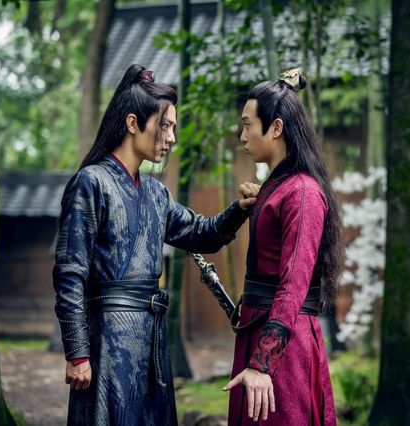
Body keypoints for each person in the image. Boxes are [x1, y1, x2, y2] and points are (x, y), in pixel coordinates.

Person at [53, 64, 257, 425]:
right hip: (107, 340)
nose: (172, 137)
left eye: (173, 127)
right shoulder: (91, 182)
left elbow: (202, 234)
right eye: (165, 125)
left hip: (151, 340)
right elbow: (70, 273)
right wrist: (78, 351)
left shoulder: (156, 193)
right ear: (133, 123)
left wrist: (239, 210)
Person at [224, 68, 344, 425]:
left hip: (283, 349)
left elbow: (294, 283)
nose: (242, 135)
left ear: (275, 128)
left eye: (248, 125)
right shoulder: (280, 187)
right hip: (259, 329)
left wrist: (264, 362)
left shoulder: (303, 192)